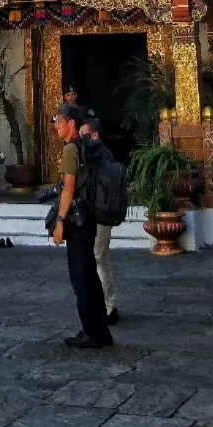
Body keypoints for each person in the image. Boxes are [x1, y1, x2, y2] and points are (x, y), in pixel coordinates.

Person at [50, 100, 112, 349]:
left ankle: (90, 331)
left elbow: (69, 188)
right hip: (90, 217)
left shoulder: (70, 149)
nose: (56, 126)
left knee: (80, 277)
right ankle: (101, 330)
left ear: (70, 123)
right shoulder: (87, 145)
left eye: (58, 121)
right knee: (90, 275)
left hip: (76, 219)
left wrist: (60, 221)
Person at [79, 113, 119, 324]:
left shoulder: (102, 156)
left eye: (84, 135)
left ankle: (108, 307)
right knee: (99, 258)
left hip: (101, 213)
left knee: (98, 258)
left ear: (94, 135)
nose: (81, 139)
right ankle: (105, 304)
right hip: (96, 213)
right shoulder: (98, 155)